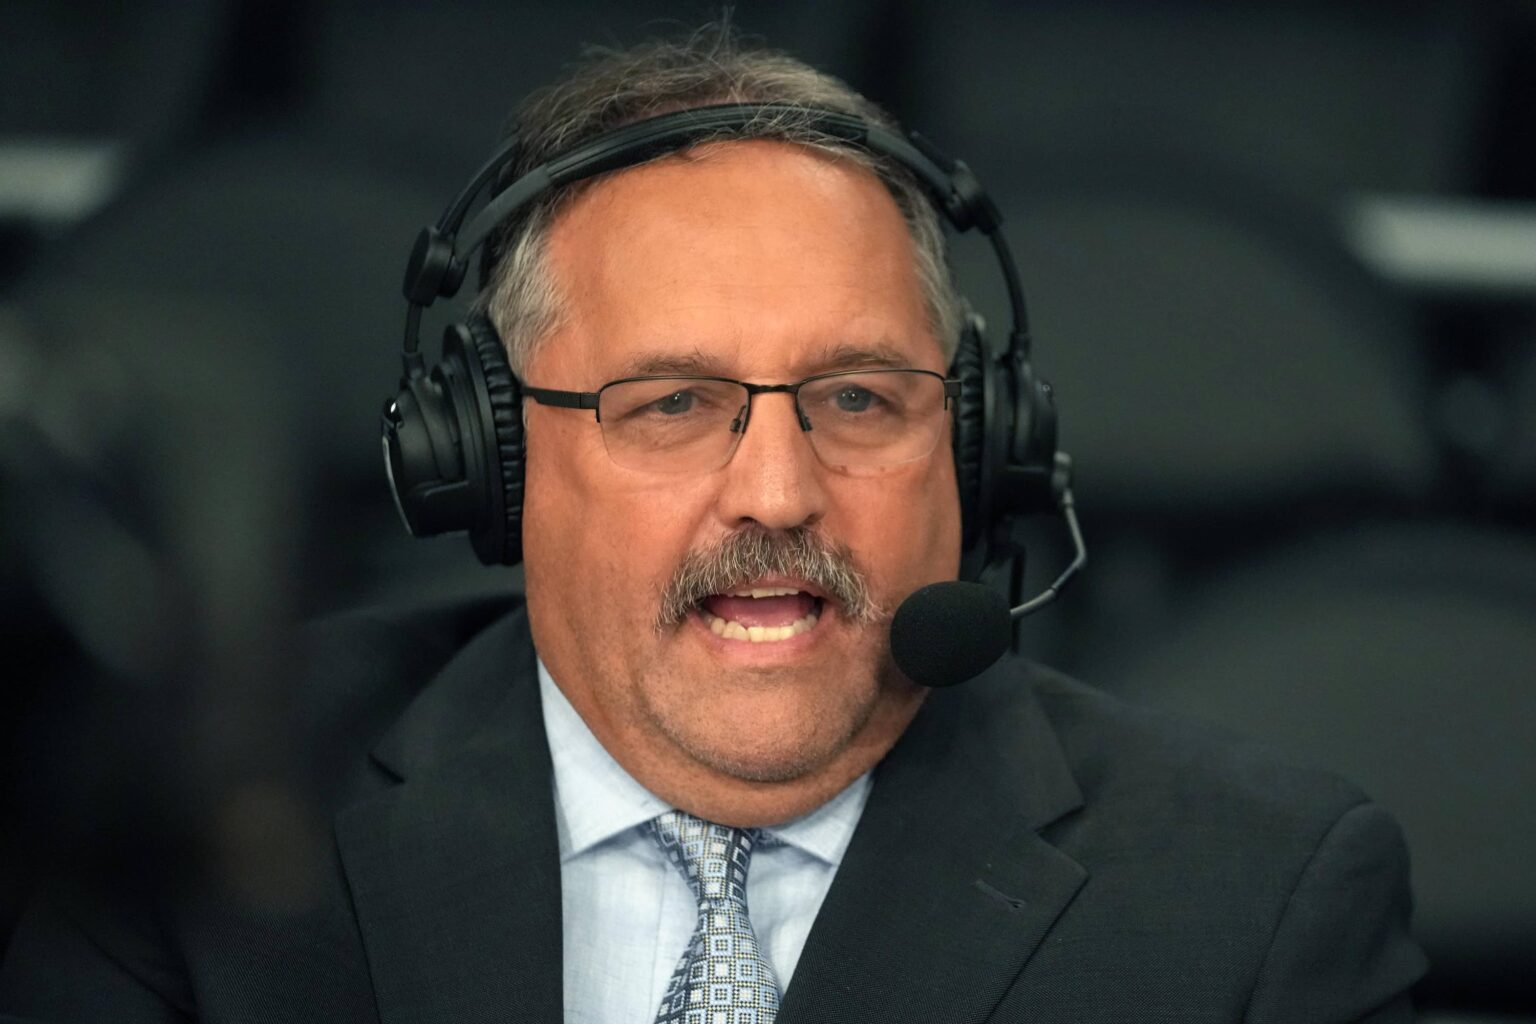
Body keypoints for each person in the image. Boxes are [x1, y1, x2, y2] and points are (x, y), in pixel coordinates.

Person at [1, 26, 1425, 1024]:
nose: (777, 490)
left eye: (859, 400)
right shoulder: (187, 824)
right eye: (671, 403)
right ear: (492, 465)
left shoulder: (1258, 904)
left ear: (977, 448)